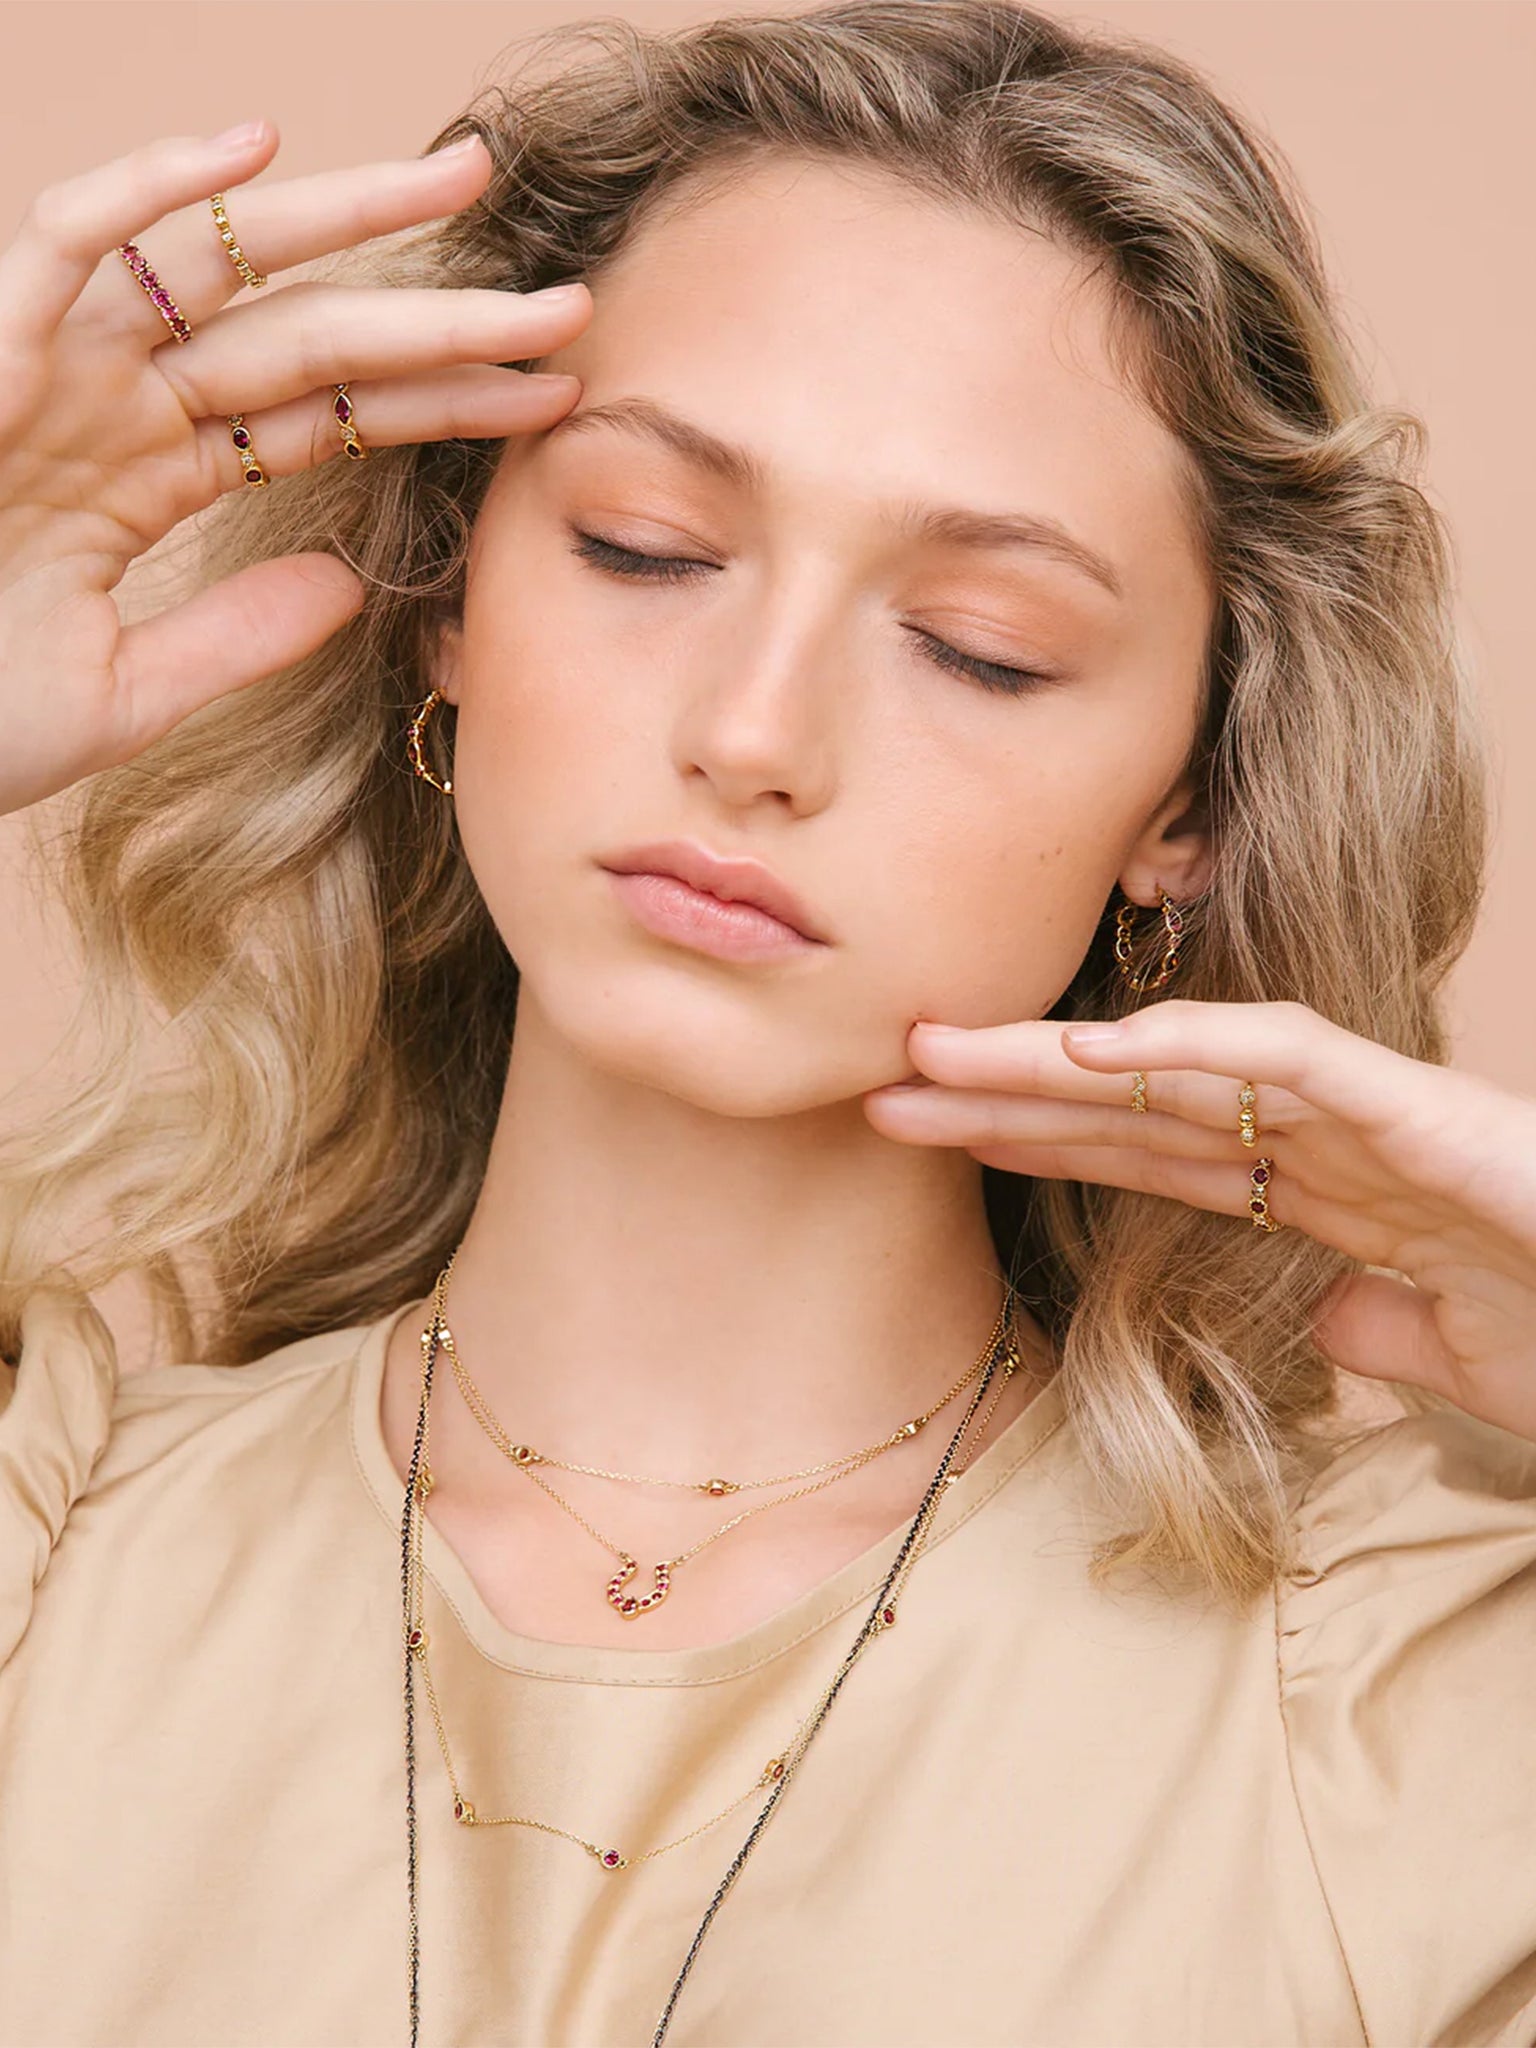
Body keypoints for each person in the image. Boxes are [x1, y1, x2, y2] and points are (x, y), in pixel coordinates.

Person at [1, 1, 1533, 2042]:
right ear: (452, 600)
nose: (751, 733)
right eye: (646, 545)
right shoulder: (54, 1553)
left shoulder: (1417, 1699)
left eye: (981, 651)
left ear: (1189, 802)